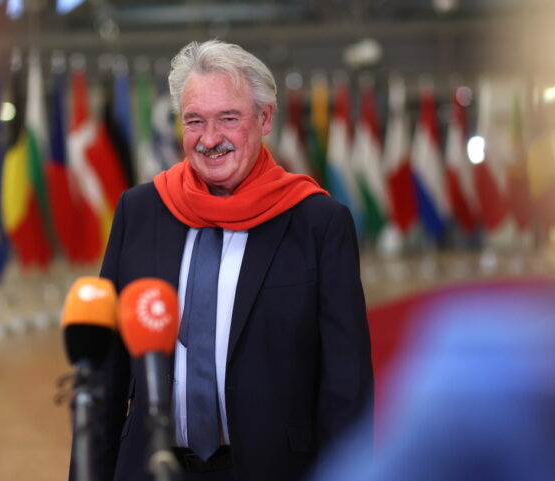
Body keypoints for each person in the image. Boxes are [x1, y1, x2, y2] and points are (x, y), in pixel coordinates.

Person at [75, 40, 373, 481]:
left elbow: (345, 386)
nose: (210, 139)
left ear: (265, 118)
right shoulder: (140, 212)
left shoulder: (317, 222)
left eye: (228, 119)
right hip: (148, 467)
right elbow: (106, 372)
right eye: (195, 121)